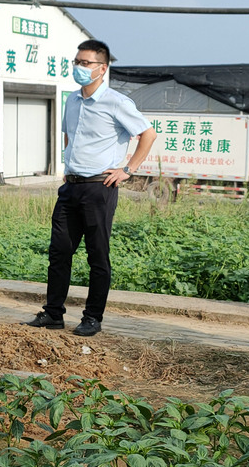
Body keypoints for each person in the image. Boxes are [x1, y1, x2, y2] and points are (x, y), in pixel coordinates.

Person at [25, 39, 157, 337]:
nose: (79, 68)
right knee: (59, 252)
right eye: (77, 62)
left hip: (100, 188)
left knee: (97, 255)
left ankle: (92, 317)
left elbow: (148, 134)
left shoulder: (117, 102)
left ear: (102, 68)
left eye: (86, 64)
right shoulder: (72, 100)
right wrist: (67, 166)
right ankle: (53, 313)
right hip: (71, 188)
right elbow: (69, 137)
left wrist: (128, 170)